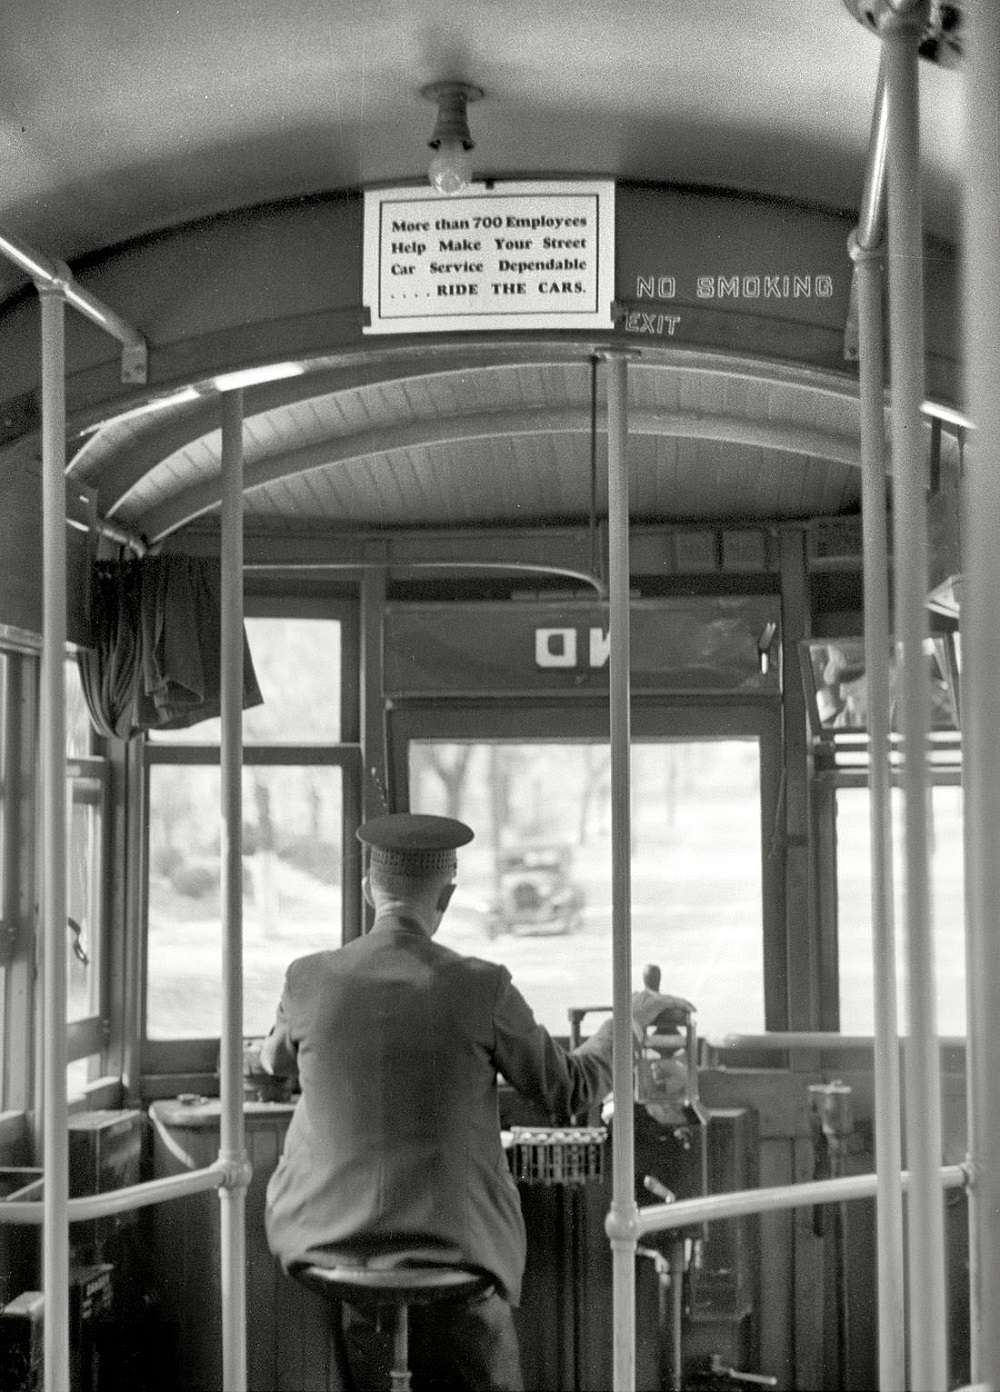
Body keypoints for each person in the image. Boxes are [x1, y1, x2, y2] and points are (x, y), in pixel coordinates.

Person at [260, 813, 618, 1392]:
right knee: (481, 1330)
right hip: (456, 1249)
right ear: (447, 896)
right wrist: (620, 1029)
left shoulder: (308, 978)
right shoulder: (483, 986)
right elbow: (568, 1090)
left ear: (365, 889)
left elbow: (272, 1064)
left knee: (366, 1324)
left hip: (325, 1241)